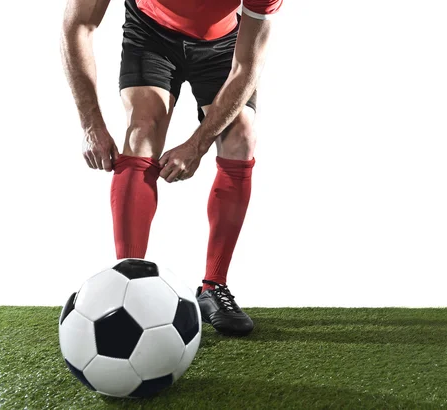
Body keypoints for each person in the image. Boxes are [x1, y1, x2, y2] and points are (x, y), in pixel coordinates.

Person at [60, 0, 282, 336]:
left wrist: (198, 143)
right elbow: (77, 25)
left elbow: (248, 65)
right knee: (143, 128)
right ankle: (129, 286)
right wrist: (91, 124)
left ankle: (213, 289)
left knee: (241, 136)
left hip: (224, 43)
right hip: (151, 32)